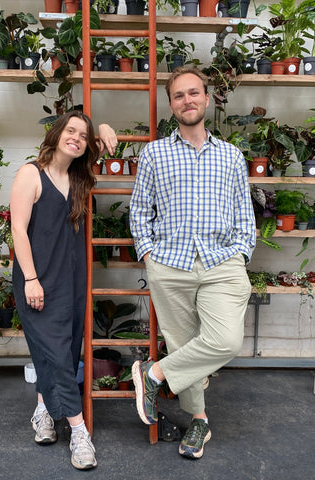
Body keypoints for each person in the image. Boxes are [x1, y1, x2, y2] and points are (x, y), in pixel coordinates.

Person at [129, 66, 256, 460]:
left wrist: (242, 251)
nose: (188, 100)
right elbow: (138, 210)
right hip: (170, 263)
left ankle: (153, 374)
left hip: (222, 262)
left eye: (194, 93)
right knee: (184, 344)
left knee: (225, 340)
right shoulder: (154, 153)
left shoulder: (232, 157)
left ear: (206, 97)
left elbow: (244, 214)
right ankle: (198, 420)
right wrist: (149, 254)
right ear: (171, 104)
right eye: (179, 95)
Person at [10, 112, 117, 470]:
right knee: (55, 353)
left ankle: (42, 411)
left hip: (70, 281)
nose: (76, 138)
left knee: (65, 354)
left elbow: (101, 144)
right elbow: (19, 231)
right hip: (36, 281)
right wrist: (29, 279)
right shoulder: (31, 174)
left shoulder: (77, 177)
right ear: (56, 133)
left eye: (82, 135)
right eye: (70, 130)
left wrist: (102, 128)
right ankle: (79, 431)